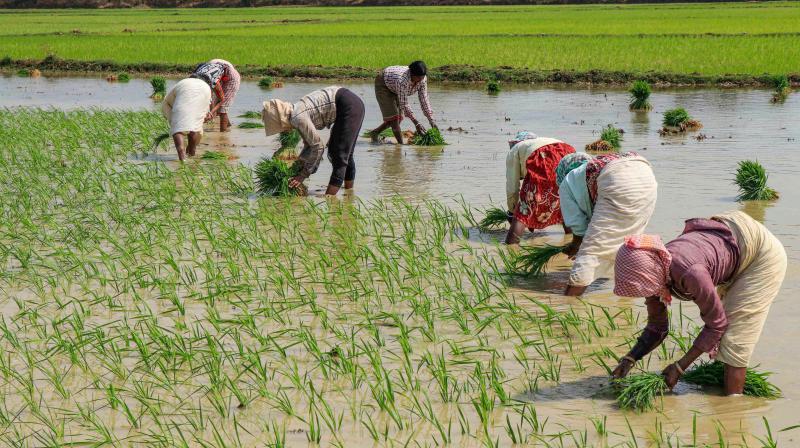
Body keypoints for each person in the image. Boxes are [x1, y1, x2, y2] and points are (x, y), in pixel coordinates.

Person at [611, 211, 787, 395]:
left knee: (735, 341)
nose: (646, 294)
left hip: (760, 253)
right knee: (726, 337)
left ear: (649, 274)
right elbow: (657, 327)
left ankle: (733, 410)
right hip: (731, 232)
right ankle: (719, 387)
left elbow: (717, 325)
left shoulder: (690, 273)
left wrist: (679, 367)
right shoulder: (655, 271)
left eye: (644, 288)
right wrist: (629, 359)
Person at [557, 151, 658, 296]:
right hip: (645, 174)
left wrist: (574, 247)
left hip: (617, 177)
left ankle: (569, 303)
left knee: (590, 251)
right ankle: (627, 300)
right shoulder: (588, 170)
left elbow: (579, 230)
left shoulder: (566, 182)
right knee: (629, 243)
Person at [261, 86, 365, 196]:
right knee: (342, 153)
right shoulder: (296, 113)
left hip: (349, 105)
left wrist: (303, 175)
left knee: (339, 154)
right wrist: (299, 166)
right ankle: (349, 194)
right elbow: (309, 145)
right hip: (349, 103)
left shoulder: (298, 118)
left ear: (280, 120)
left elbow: (318, 146)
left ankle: (329, 198)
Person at [504, 132, 577, 244]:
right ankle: (573, 242)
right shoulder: (546, 140)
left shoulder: (515, 149)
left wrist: (512, 211)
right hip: (568, 153)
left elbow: (512, 188)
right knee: (564, 204)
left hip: (543, 158)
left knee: (523, 211)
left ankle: (511, 248)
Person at [367, 61, 437, 144]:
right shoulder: (402, 81)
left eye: (422, 77)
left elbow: (424, 100)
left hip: (395, 86)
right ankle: (400, 146)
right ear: (411, 74)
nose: (420, 80)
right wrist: (416, 123)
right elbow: (405, 104)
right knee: (394, 119)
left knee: (399, 118)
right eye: (418, 78)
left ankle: (375, 132)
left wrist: (431, 121)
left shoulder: (422, 79)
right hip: (384, 84)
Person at [162, 77, 221, 161]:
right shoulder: (206, 87)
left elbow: (168, 102)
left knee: (178, 129)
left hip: (177, 100)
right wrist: (206, 116)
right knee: (195, 128)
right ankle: (191, 155)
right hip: (202, 94)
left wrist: (176, 121)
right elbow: (206, 107)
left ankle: (182, 158)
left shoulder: (183, 82)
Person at [190, 61, 231, 131]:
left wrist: (211, 112)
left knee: (223, 109)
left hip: (228, 75)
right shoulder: (193, 80)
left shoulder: (214, 83)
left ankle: (223, 133)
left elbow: (222, 100)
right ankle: (218, 121)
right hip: (207, 70)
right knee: (207, 98)